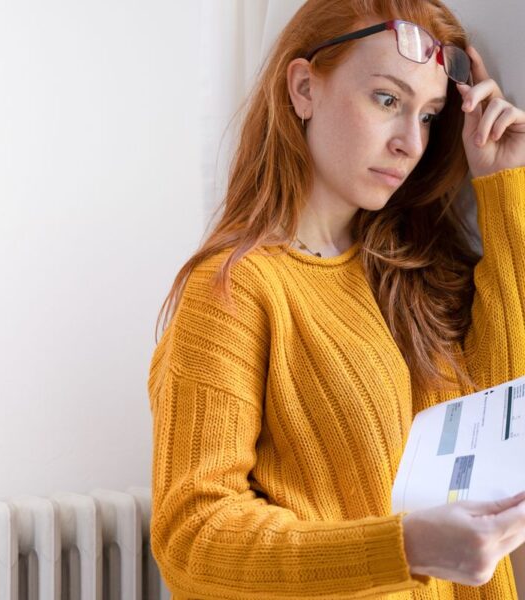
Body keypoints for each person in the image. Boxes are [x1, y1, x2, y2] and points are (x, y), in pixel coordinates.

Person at [148, 0, 525, 598]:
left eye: (429, 116)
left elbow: (505, 411)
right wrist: (405, 547)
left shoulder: (418, 271)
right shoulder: (234, 289)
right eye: (387, 100)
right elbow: (193, 536)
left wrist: (503, 184)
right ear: (304, 89)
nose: (410, 142)